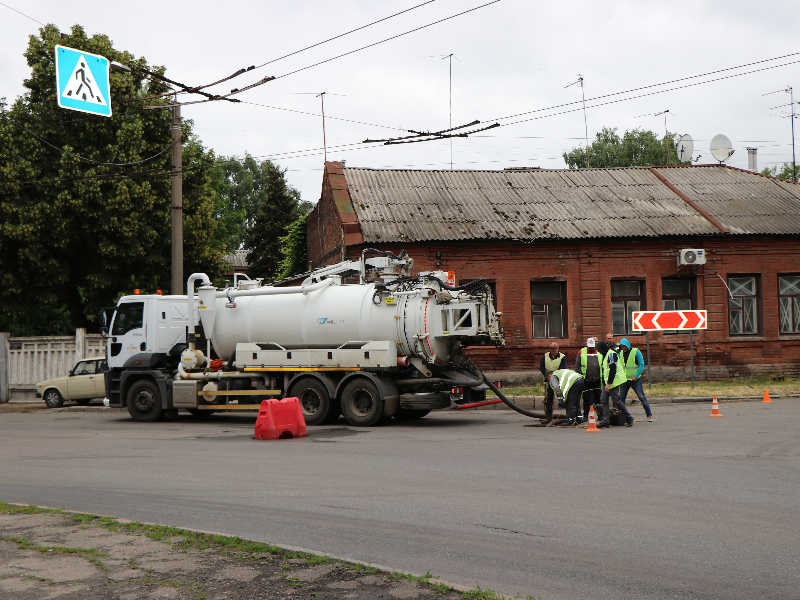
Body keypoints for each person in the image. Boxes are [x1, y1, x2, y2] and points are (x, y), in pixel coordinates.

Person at [596, 340, 633, 428]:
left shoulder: (611, 354)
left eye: (598, 349)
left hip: (613, 382)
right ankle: (606, 421)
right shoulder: (605, 356)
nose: (598, 352)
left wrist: (608, 384)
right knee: (604, 400)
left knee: (616, 401)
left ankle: (629, 417)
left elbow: (613, 369)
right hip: (607, 383)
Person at [617, 338, 654, 422]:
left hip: (635, 380)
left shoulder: (636, 352)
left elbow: (641, 364)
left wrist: (636, 376)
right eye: (622, 347)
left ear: (628, 345)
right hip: (624, 380)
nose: (623, 348)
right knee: (621, 399)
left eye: (624, 346)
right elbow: (618, 365)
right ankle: (620, 416)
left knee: (641, 397)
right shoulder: (620, 353)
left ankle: (649, 415)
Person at [575, 337, 602, 422]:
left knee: (598, 399)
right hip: (586, 380)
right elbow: (577, 366)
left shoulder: (599, 352)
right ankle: (586, 415)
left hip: (597, 379)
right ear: (586, 345)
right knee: (586, 399)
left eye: (592, 346)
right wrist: (580, 377)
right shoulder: (581, 352)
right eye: (589, 346)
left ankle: (600, 415)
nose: (591, 348)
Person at [539, 342, 566, 422]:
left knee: (562, 396)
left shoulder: (562, 357)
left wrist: (554, 376)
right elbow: (542, 366)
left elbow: (562, 368)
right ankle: (548, 416)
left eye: (555, 350)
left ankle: (569, 414)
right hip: (548, 378)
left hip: (557, 378)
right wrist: (547, 375)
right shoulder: (546, 355)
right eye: (552, 350)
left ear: (558, 349)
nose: (554, 352)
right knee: (548, 398)